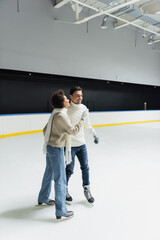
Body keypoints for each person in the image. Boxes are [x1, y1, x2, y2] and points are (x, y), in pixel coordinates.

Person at [38, 90, 84, 219]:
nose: (68, 100)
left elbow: (44, 130)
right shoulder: (62, 116)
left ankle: (43, 198)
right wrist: (81, 121)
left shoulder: (56, 113)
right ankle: (61, 210)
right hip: (56, 149)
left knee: (49, 173)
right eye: (66, 99)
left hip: (50, 147)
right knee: (61, 179)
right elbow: (73, 131)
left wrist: (52, 138)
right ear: (62, 103)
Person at [66, 86, 99, 204]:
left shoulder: (84, 108)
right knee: (69, 170)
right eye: (77, 95)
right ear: (71, 96)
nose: (80, 97)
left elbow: (87, 124)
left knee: (85, 167)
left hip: (82, 144)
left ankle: (87, 189)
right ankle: (64, 189)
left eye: (81, 95)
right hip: (69, 145)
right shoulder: (66, 109)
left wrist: (94, 134)